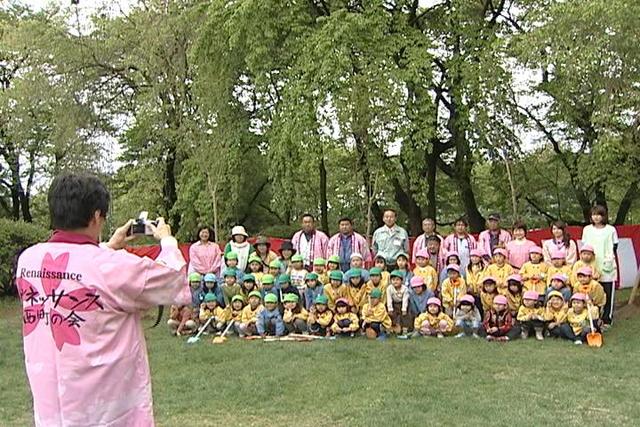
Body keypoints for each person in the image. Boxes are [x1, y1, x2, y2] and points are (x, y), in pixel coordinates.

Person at [16, 173, 189, 426]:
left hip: (53, 408)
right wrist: (167, 239)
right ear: (97, 215)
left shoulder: (28, 260)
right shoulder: (113, 267)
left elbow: (76, 272)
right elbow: (171, 276)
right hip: (104, 410)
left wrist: (108, 245)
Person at [581, 205, 618, 327]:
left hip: (606, 265)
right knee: (591, 292)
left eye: (599, 214)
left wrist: (608, 259)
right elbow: (584, 247)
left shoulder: (611, 229)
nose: (596, 217)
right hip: (591, 265)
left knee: (607, 293)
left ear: (603, 216)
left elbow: (614, 246)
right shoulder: (587, 229)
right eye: (594, 214)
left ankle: (607, 318)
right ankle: (593, 318)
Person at [386, 270, 411, 334]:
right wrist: (390, 308)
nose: (395, 281)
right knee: (392, 314)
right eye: (393, 280)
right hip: (393, 303)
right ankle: (390, 327)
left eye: (397, 280)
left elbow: (405, 299)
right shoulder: (389, 288)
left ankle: (405, 328)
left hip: (402, 303)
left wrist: (404, 309)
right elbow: (389, 299)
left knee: (405, 315)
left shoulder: (405, 289)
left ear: (401, 281)